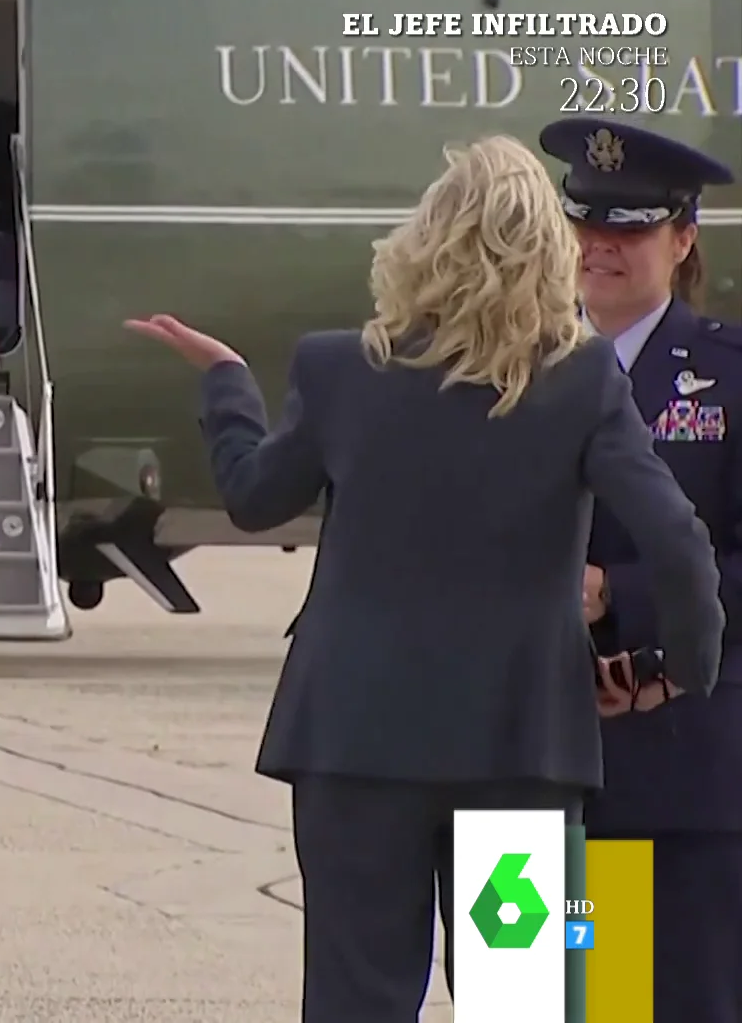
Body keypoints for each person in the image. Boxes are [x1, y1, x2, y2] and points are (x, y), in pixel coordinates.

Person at [125, 135, 724, 1023]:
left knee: (356, 998)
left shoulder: (339, 368)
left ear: (423, 239)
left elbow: (253, 497)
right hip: (521, 753)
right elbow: (678, 540)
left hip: (356, 747)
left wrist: (227, 386)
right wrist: (679, 669)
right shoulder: (581, 379)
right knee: (520, 1000)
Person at [541, 117, 741, 1023]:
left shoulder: (730, 383)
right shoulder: (509, 369)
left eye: (629, 228)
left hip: (680, 768)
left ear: (684, 237)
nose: (599, 248)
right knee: (541, 1004)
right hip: (531, 763)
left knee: (672, 1004)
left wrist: (616, 593)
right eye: (584, 221)